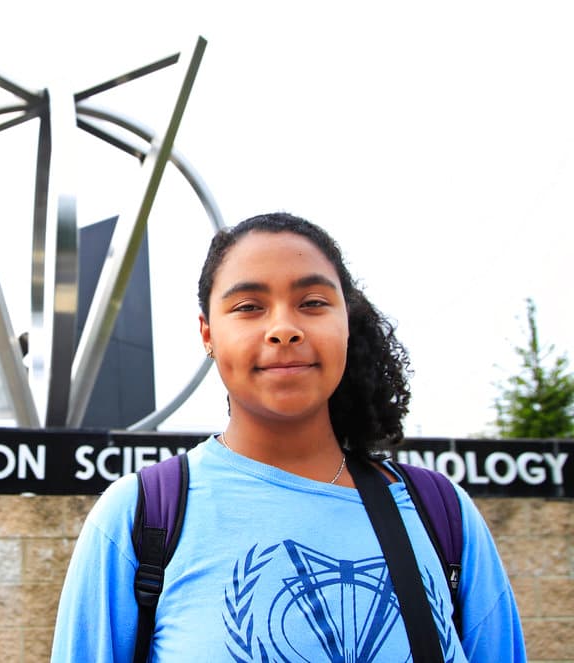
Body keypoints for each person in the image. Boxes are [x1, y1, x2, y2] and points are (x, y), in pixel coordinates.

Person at [51, 212, 525, 662]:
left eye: (313, 303)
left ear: (346, 323)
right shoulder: (140, 519)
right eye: (249, 307)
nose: (284, 329)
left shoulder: (441, 513)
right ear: (207, 333)